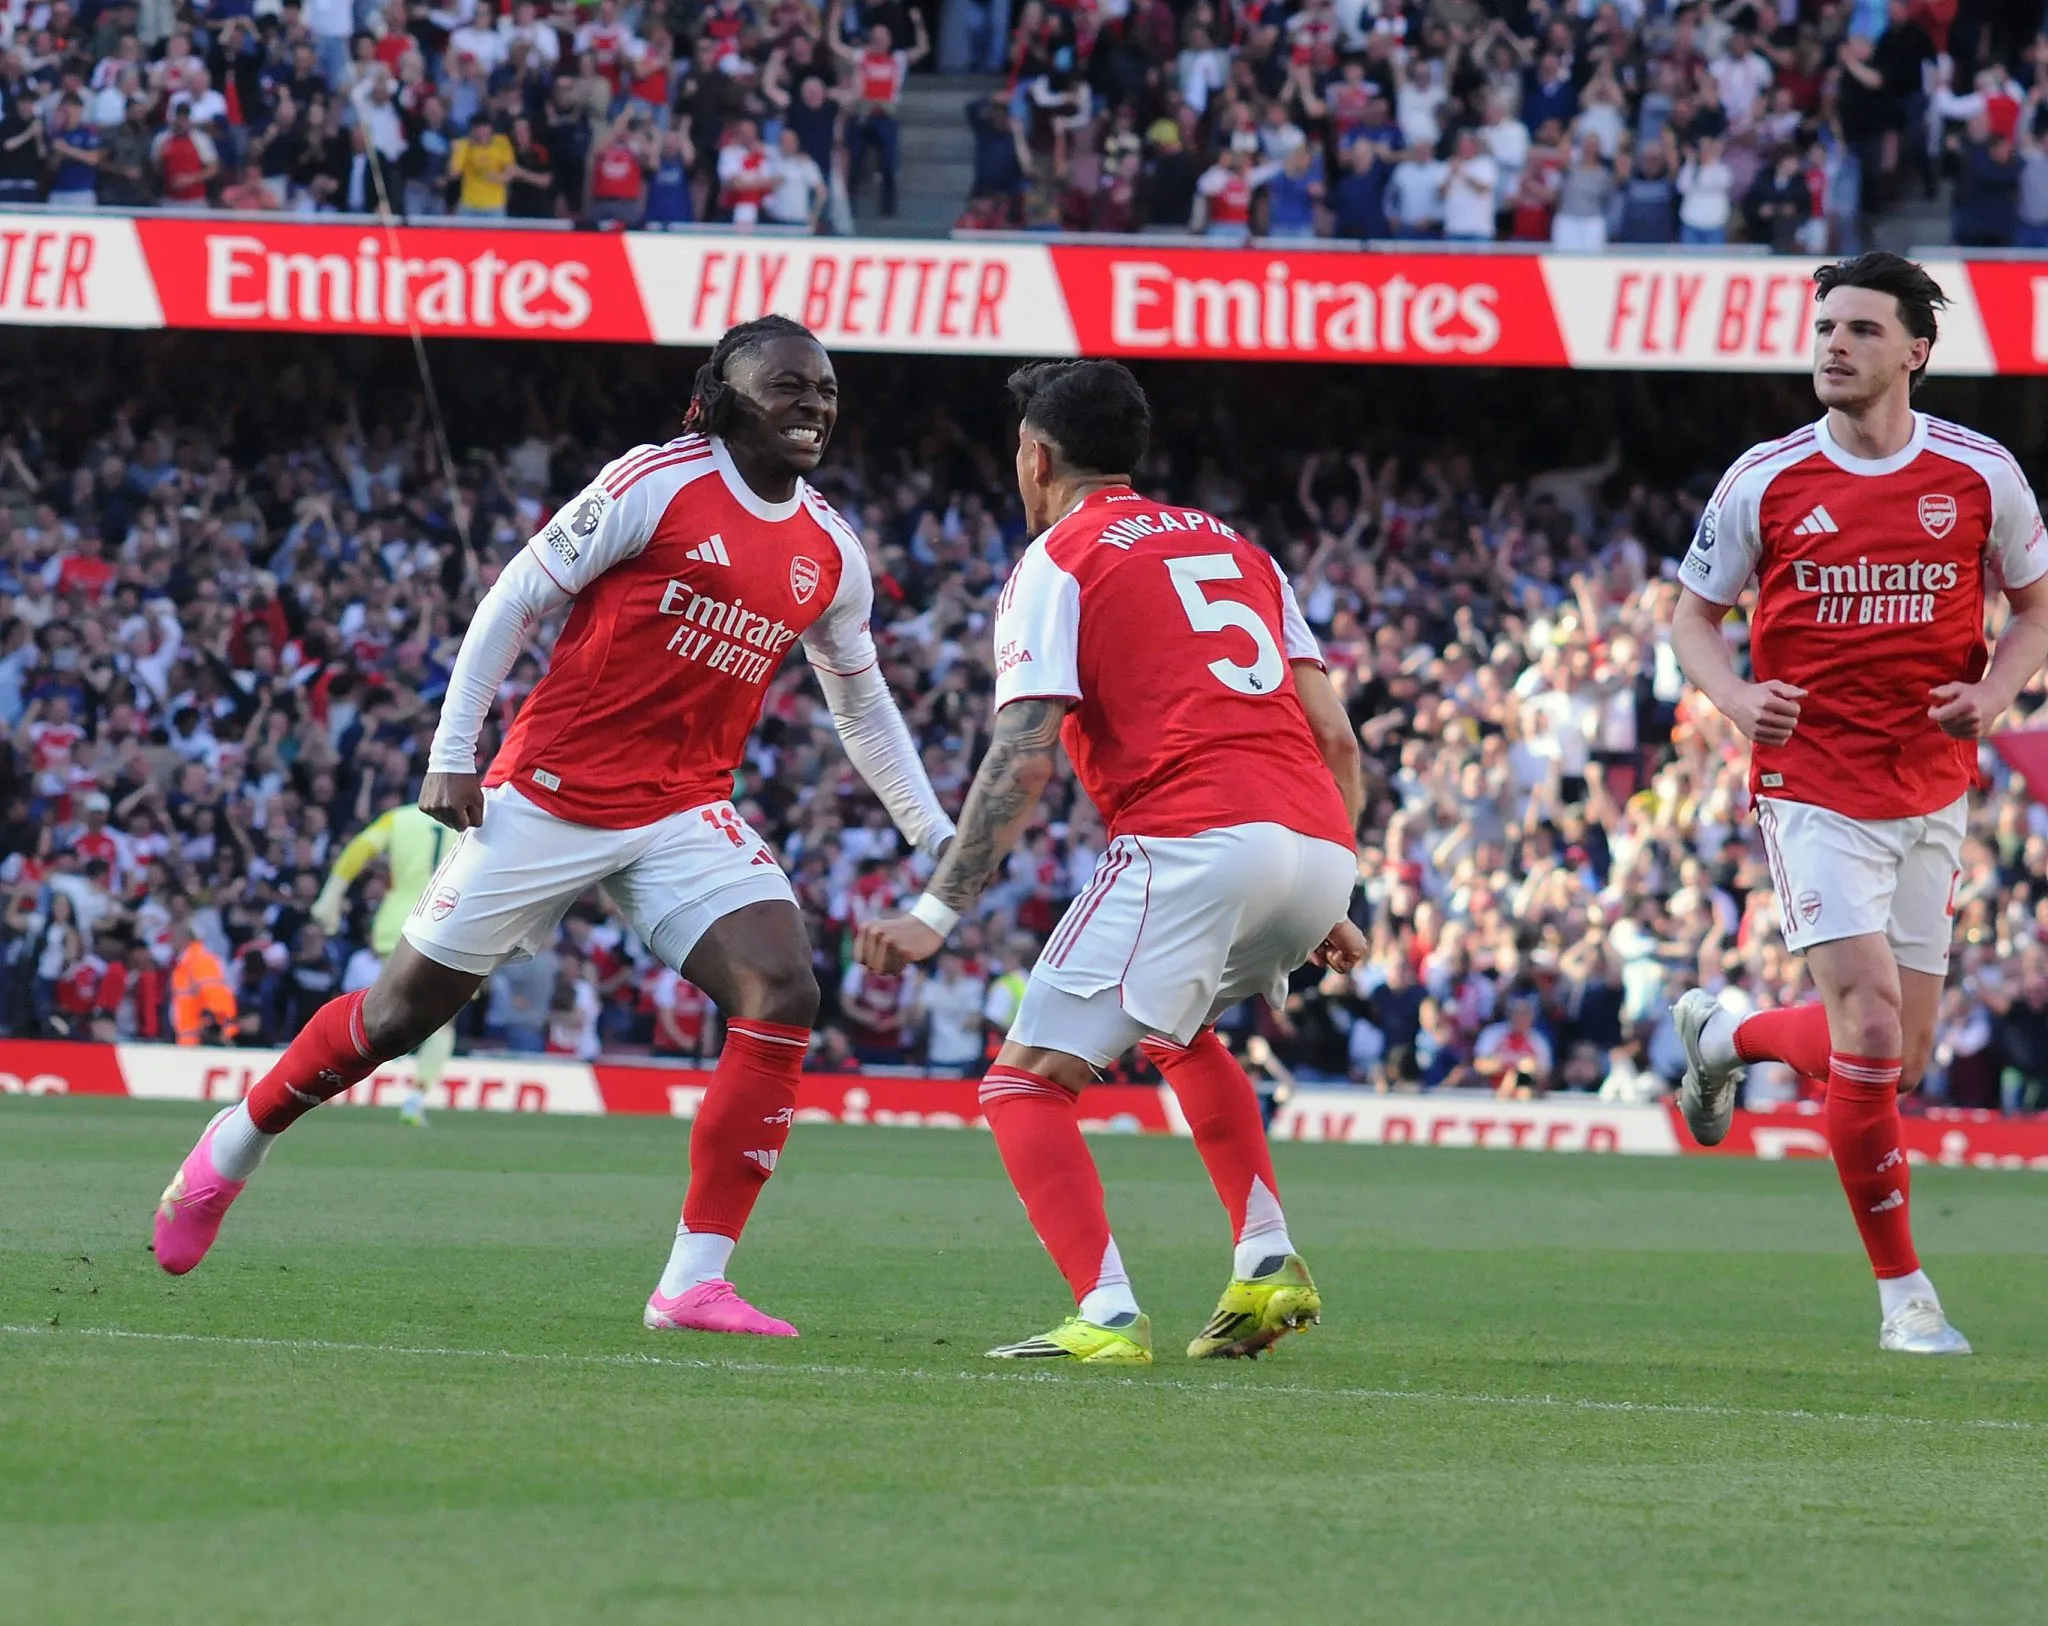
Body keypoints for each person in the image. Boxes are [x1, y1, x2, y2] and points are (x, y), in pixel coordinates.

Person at [151, 317, 956, 1341]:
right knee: (397, 1020)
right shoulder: (653, 483)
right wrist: (454, 751)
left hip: (684, 808)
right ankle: (232, 1148)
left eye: (826, 390)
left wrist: (931, 831)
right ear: (724, 394)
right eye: (787, 385)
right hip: (552, 794)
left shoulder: (830, 549)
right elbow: (513, 599)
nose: (812, 404)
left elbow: (862, 702)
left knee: (784, 986)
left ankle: (691, 1282)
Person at [857, 360, 1365, 1366]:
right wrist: (1331, 892)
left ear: (1034, 456)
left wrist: (934, 912)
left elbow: (1025, 752)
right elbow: (1336, 739)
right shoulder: (1242, 552)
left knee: (1021, 1085)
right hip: (1315, 843)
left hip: (1192, 839)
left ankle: (1106, 1310)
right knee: (1176, 1037)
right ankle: (1265, 1261)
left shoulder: (1057, 561)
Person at [1669, 253, 2048, 1357]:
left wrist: (1993, 691)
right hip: (1811, 786)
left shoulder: (1980, 475)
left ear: (1913, 352)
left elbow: (2033, 607)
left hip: (1929, 786)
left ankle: (1726, 1035)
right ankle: (1903, 1298)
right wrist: (1737, 698)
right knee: (1870, 1023)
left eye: (1859, 330)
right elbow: (1690, 620)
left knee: (1897, 1059)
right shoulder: (1764, 478)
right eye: (1823, 326)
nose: (1831, 345)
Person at [311, 797, 463, 1127]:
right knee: (441, 1020)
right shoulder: (475, 814)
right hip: (448, 920)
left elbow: (360, 848)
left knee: (379, 1007)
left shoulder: (399, 818)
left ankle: (322, 1078)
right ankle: (416, 1097)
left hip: (397, 920)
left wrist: (331, 894)